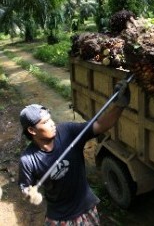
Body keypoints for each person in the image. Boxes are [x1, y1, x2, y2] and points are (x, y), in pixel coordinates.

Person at [18, 80, 130, 226]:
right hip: (60, 218)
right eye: (45, 122)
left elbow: (101, 125)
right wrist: (29, 194)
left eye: (50, 119)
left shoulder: (67, 132)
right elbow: (25, 188)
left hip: (86, 207)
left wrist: (119, 106)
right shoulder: (28, 160)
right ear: (32, 130)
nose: (52, 123)